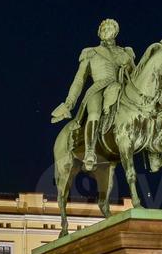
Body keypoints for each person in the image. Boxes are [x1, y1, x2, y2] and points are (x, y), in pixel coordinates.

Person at [51, 18, 137, 171]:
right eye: (103, 28)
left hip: (119, 89)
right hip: (97, 88)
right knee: (94, 114)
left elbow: (135, 78)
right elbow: (79, 80)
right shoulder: (90, 52)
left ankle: (152, 152)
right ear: (99, 32)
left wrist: (129, 64)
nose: (106, 30)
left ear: (115, 32)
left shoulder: (125, 52)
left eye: (109, 28)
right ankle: (90, 151)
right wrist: (69, 102)